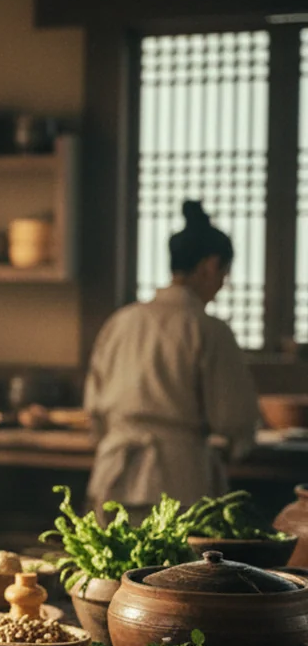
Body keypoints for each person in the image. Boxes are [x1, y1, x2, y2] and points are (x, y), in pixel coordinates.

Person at [84, 200, 259, 512]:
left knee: (112, 559)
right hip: (177, 480)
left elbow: (94, 410)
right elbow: (234, 420)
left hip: (113, 473)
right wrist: (235, 445)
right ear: (210, 266)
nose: (222, 284)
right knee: (174, 562)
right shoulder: (208, 329)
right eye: (224, 273)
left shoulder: (121, 321)